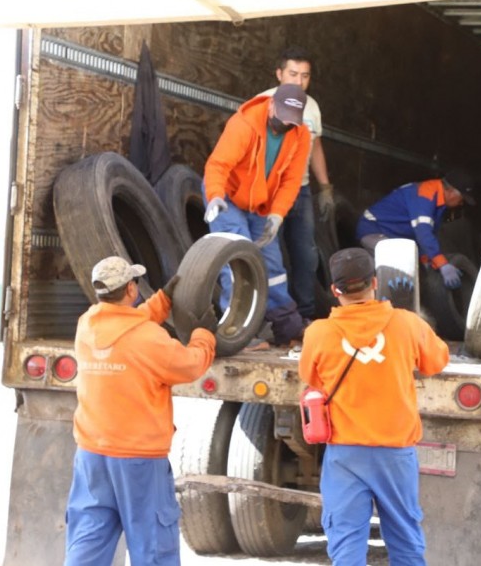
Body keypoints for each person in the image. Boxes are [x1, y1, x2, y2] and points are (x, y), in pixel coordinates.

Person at [299, 248, 450, 565]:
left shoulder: (319, 333)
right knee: (406, 542)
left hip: (345, 456)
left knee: (346, 544)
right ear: (375, 283)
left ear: (335, 290)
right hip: (395, 454)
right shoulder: (407, 324)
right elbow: (437, 361)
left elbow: (310, 377)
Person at [64, 256, 217, 566]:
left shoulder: (87, 325)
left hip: (92, 455)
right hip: (138, 462)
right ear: (131, 289)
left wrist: (161, 303)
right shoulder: (149, 340)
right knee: (153, 547)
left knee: (89, 541)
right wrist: (205, 335)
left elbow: (126, 326)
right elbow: (190, 365)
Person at [203, 82, 311, 346]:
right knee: (237, 255)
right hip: (226, 197)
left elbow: (291, 181)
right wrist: (215, 196)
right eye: (282, 117)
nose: (285, 124)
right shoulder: (245, 124)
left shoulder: (301, 134)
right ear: (272, 104)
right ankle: (234, 331)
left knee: (272, 263)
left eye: (291, 121)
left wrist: (277, 215)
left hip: (261, 204)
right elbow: (219, 164)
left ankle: (287, 327)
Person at [260, 46, 333, 321]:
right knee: (270, 253)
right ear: (279, 73)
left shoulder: (312, 107)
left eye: (305, 76)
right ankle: (270, 317)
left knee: (306, 255)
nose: (299, 81)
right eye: (293, 74)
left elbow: (315, 148)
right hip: (268, 189)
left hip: (299, 191)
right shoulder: (263, 102)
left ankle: (303, 316)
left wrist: (325, 187)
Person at [355, 170, 476, 290]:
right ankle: (379, 300)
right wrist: (443, 264)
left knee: (412, 269)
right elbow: (423, 233)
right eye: (461, 199)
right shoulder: (425, 194)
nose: (461, 203)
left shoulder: (439, 205)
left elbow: (428, 235)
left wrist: (426, 260)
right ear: (450, 191)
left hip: (393, 236)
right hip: (374, 230)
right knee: (398, 268)